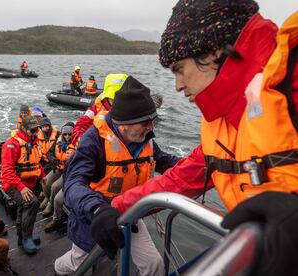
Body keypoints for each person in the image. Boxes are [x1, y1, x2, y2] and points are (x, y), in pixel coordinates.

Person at [93, 2, 298, 275]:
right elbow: (183, 177)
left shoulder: (291, 80)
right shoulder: (221, 123)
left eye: (179, 69)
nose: (177, 85)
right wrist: (116, 207)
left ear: (214, 50)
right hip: (260, 250)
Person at [54, 76, 181, 275]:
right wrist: (97, 210)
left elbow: (164, 160)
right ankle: (57, 269)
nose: (151, 128)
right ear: (124, 124)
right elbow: (73, 184)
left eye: (152, 121)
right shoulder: (93, 141)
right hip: (93, 218)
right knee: (76, 264)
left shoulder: (143, 138)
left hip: (130, 213)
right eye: (145, 122)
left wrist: (198, 165)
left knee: (154, 264)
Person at [0, 115, 46, 254]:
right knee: (31, 203)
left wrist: (42, 175)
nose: (35, 132)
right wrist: (21, 187)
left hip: (30, 181)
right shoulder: (11, 145)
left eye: (36, 130)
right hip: (13, 183)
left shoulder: (34, 142)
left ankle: (22, 237)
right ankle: (26, 238)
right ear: (23, 128)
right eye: (32, 130)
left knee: (23, 208)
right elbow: (7, 172)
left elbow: (36, 161)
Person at [71, 73, 128, 146]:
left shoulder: (134, 110)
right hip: (102, 148)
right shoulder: (96, 109)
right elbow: (81, 125)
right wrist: (80, 139)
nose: (117, 102)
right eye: (113, 98)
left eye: (121, 98)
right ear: (107, 97)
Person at [42, 123, 76, 229]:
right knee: (45, 181)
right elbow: (49, 153)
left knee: (55, 187)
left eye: (69, 134)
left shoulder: (77, 145)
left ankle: (51, 204)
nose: (67, 137)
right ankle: (47, 198)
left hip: (68, 172)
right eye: (65, 134)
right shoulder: (59, 141)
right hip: (58, 167)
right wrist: (53, 159)